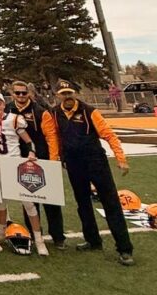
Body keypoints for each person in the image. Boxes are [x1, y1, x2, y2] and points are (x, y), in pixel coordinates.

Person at [45, 80, 134, 266]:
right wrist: (55, 161)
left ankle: (124, 249)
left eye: (70, 93)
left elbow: (109, 135)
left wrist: (121, 159)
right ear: (58, 96)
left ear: (75, 94)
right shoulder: (54, 113)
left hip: (96, 162)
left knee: (111, 203)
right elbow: (54, 138)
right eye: (63, 94)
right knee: (83, 203)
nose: (67, 97)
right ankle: (93, 240)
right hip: (73, 164)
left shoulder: (89, 111)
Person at [0, 92, 49, 255]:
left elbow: (28, 140)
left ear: (4, 105)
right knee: (1, 201)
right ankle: (2, 230)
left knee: (28, 202)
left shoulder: (15, 119)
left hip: (15, 163)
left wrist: (31, 152)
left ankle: (39, 239)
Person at [7, 80, 66, 249]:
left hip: (42, 158)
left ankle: (58, 236)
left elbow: (51, 136)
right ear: (12, 94)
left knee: (51, 200)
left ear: (29, 93)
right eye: (17, 93)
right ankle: (34, 234)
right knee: (29, 200)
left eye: (24, 92)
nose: (21, 96)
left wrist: (53, 160)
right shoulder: (7, 109)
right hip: (21, 160)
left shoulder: (40, 111)